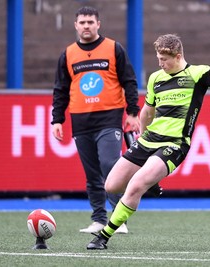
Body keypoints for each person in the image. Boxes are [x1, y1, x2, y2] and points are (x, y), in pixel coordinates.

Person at [87, 34, 210, 249]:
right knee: (111, 186)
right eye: (158, 58)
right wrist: (142, 134)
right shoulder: (156, 78)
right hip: (148, 140)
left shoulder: (195, 75)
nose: (160, 63)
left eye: (164, 59)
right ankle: (152, 181)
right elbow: (148, 111)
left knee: (136, 185)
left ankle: (103, 236)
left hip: (175, 144)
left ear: (178, 57)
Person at [51, 6, 141, 234]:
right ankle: (99, 219)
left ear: (98, 24)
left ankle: (119, 219)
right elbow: (60, 89)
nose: (86, 26)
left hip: (109, 119)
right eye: (82, 22)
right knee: (91, 173)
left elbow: (129, 81)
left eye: (90, 22)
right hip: (81, 121)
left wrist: (132, 112)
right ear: (76, 25)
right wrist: (57, 119)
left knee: (110, 167)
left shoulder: (113, 48)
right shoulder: (68, 54)